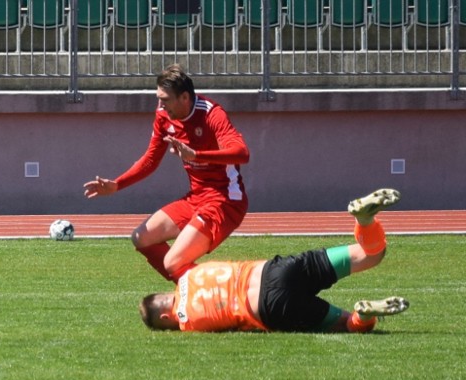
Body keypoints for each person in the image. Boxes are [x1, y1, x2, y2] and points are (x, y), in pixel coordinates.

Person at [139, 188, 410, 333]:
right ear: (166, 293)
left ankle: (363, 315)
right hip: (277, 270)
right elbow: (174, 260)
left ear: (166, 316)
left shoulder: (187, 323)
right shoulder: (186, 274)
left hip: (271, 307)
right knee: (371, 255)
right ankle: (364, 220)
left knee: (348, 325)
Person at [84, 64, 250, 282]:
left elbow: (242, 154)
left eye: (165, 99)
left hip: (225, 200)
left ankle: (218, 292)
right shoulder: (164, 115)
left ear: (184, 97)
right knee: (141, 238)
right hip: (196, 199)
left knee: (173, 262)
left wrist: (197, 155)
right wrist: (117, 184)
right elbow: (151, 159)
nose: (160, 104)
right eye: (158, 98)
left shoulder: (211, 114)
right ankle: (196, 292)